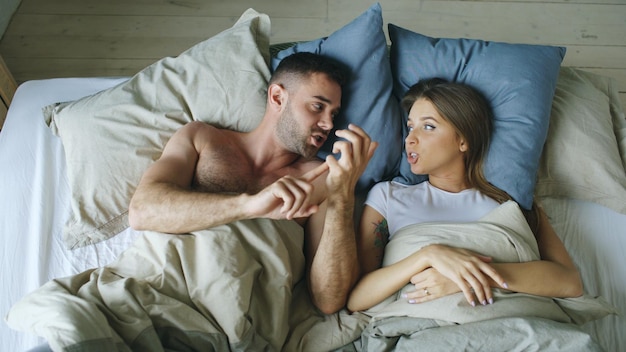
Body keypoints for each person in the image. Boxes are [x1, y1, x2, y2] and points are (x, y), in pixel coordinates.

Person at [128, 52, 378, 315]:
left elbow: (329, 299)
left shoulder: (322, 179)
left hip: (228, 313)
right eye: (318, 106)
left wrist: (344, 195)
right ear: (278, 97)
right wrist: (249, 206)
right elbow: (142, 211)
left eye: (334, 113)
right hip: (146, 289)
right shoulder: (202, 138)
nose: (328, 124)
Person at [347, 78, 582, 313]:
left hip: (512, 322)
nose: (410, 139)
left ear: (463, 140)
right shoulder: (388, 197)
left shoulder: (510, 204)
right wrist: (428, 255)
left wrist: (470, 276)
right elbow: (358, 298)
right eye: (410, 127)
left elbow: (570, 283)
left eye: (428, 126)